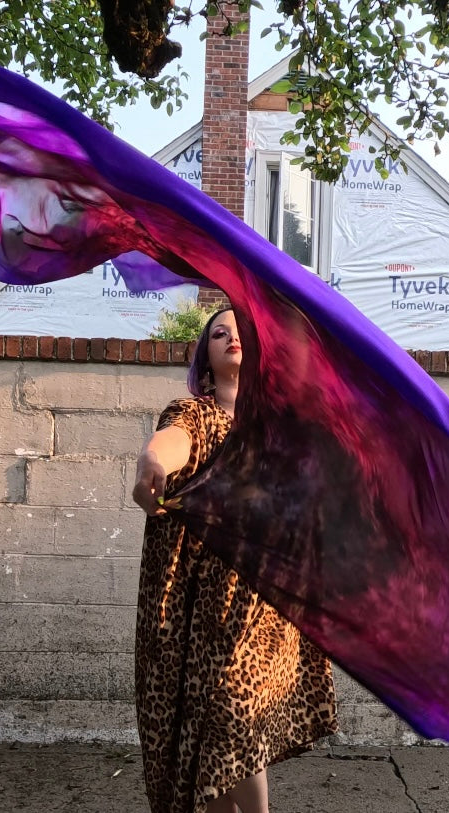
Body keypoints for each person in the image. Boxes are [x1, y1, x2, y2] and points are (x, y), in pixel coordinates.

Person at [132, 307, 338, 813]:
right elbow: (174, 441)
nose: (230, 338)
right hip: (202, 600)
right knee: (209, 727)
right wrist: (153, 459)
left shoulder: (283, 429)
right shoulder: (194, 413)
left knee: (232, 710)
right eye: (218, 333)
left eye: (241, 331)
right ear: (205, 354)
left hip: (264, 600)